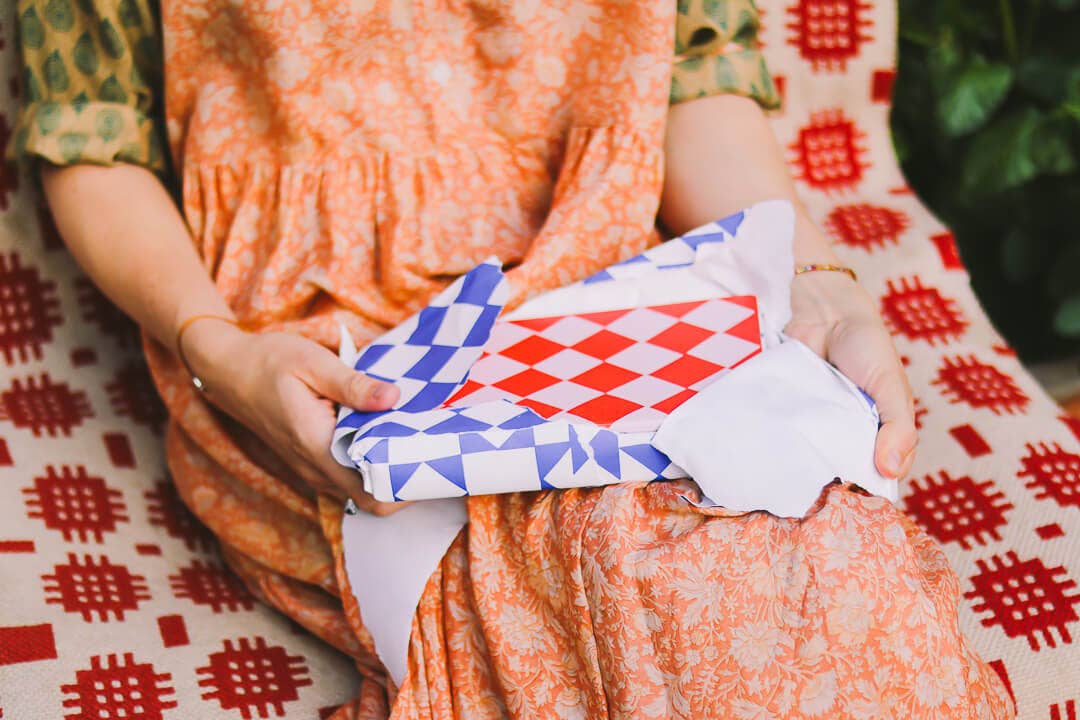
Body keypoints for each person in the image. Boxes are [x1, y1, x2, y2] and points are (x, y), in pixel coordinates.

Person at [12, 0, 1013, 717]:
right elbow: (95, 142)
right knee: (632, 593)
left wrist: (815, 288)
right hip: (339, 347)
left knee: (833, 567)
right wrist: (219, 351)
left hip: (630, 289)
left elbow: (692, 73)